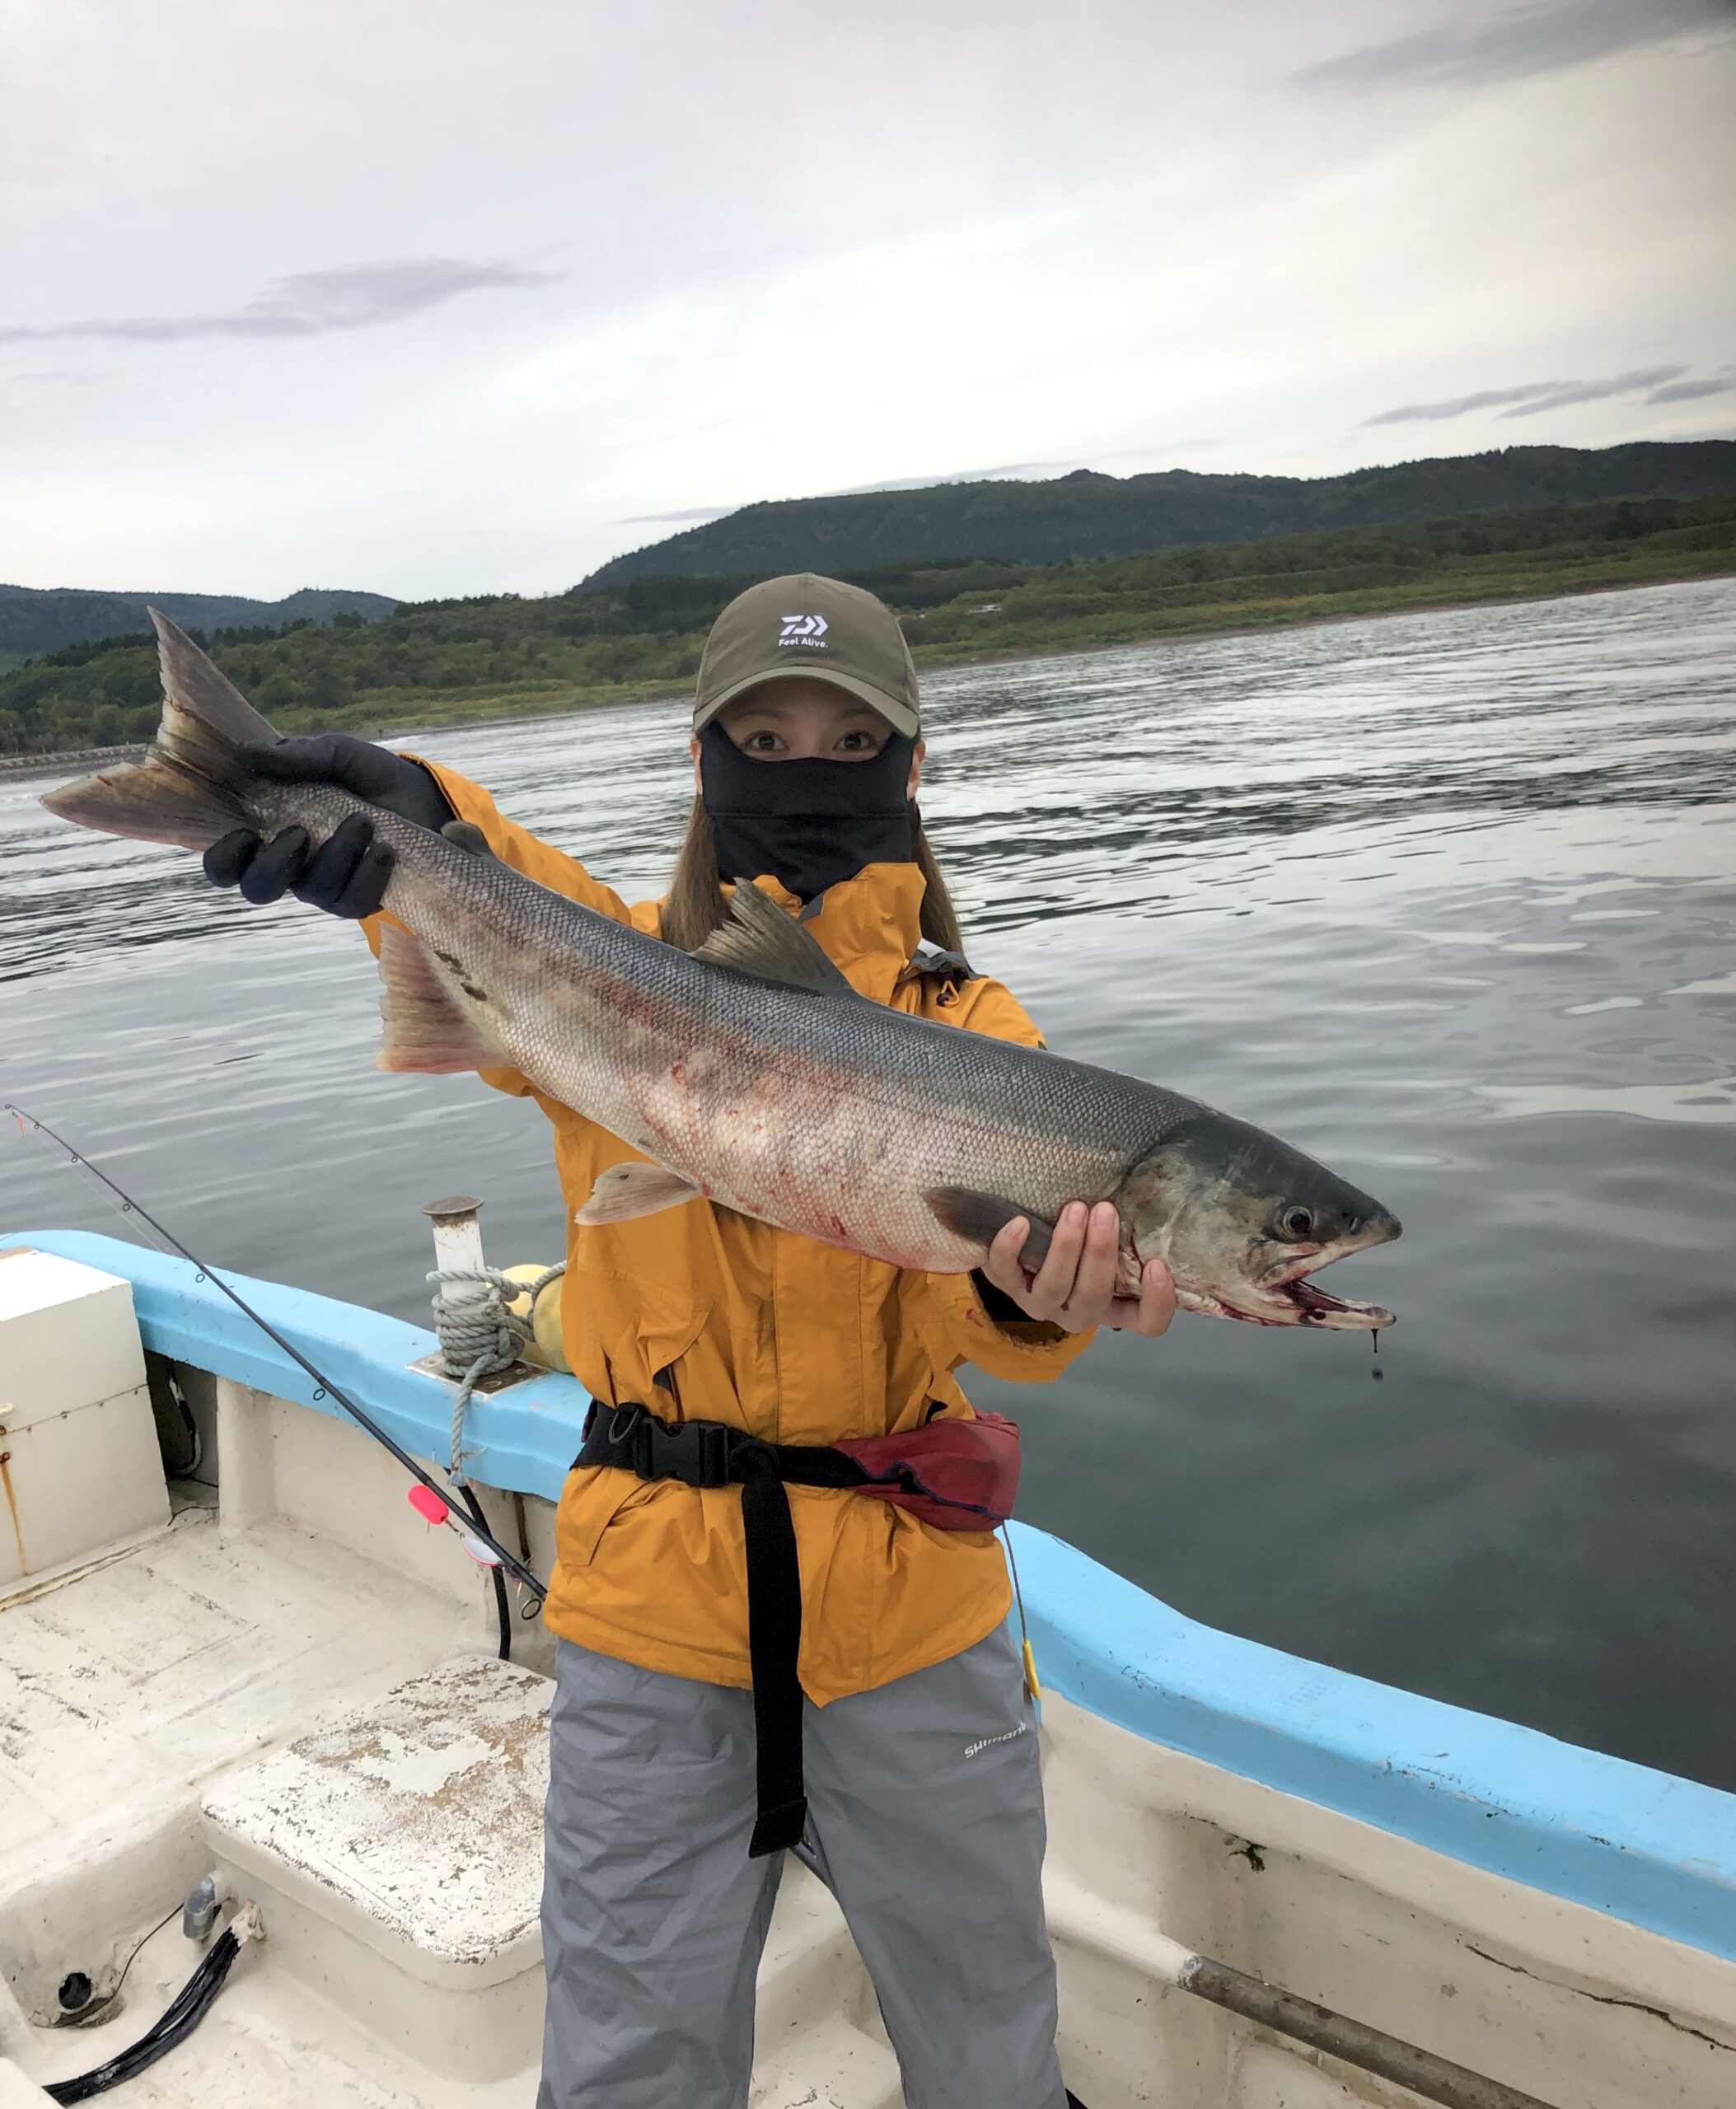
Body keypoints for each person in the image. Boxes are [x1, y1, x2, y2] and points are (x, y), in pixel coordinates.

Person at [204, 572, 1175, 2109]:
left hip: (913, 1617)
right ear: (708, 763)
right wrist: (402, 816)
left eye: (852, 737)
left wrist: (1029, 1297)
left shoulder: (976, 1033)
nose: (809, 767)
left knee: (991, 2036)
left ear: (910, 769)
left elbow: (978, 1317)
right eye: (766, 738)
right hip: (650, 1612)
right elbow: (497, 896)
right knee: (629, 2063)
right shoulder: (621, 978)